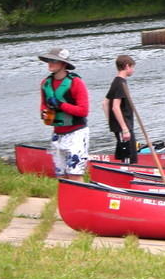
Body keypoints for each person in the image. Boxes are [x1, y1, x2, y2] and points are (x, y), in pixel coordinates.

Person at [38, 47, 90, 181]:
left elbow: (83, 111)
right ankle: (65, 200)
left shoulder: (76, 82)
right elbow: (43, 105)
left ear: (63, 64)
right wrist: (44, 113)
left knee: (75, 173)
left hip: (76, 133)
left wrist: (61, 105)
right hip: (57, 134)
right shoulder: (45, 83)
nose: (50, 63)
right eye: (49, 60)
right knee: (60, 175)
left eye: (54, 61)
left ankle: (80, 199)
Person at [102, 55, 137, 163]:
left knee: (131, 153)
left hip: (122, 125)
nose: (133, 70)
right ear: (127, 66)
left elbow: (105, 103)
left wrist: (111, 121)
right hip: (124, 126)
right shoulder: (120, 83)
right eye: (132, 67)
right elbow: (115, 107)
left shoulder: (117, 81)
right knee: (128, 156)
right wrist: (124, 128)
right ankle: (128, 175)